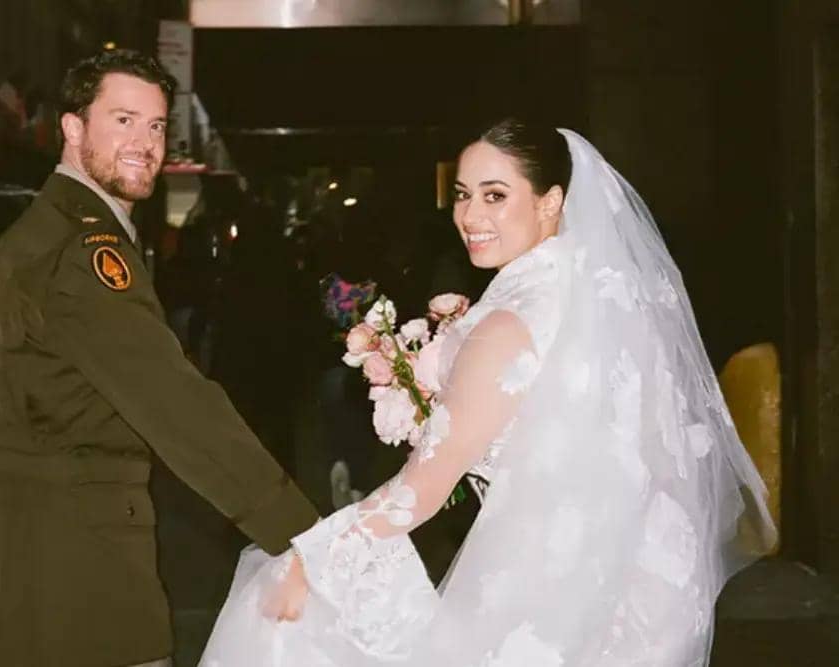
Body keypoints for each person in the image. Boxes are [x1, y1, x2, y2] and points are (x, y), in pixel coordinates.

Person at [200, 120, 777, 666]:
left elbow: (420, 491)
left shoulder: (508, 324)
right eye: (462, 194)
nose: (470, 215)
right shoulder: (595, 298)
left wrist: (310, 561)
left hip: (545, 591)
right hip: (626, 581)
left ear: (550, 202)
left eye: (495, 195)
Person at [0, 50, 318, 667]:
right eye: (123, 120)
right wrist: (302, 534)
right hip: (62, 577)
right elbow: (175, 404)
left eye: (156, 125)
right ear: (73, 127)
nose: (145, 142)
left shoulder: (47, 230)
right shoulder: (84, 250)